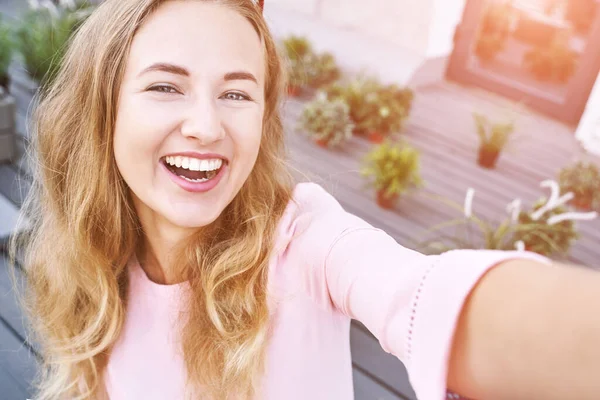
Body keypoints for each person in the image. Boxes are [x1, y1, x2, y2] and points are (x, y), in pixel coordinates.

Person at [9, 0, 600, 399]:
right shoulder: (84, 251)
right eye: (167, 86)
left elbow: (426, 294)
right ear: (104, 106)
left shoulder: (307, 243)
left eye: (237, 94)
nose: (206, 126)